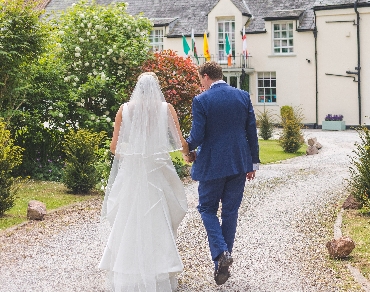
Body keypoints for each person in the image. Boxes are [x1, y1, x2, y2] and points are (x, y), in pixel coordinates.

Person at [100, 72, 189, 292]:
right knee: (160, 219)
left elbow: (114, 147)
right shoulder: (165, 109)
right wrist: (188, 154)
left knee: (129, 219)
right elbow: (179, 141)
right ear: (156, 88)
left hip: (133, 172)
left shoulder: (125, 110)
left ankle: (127, 273)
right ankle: (160, 273)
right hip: (158, 171)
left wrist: (132, 157)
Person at [183, 61, 260, 285]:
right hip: (239, 163)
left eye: (200, 80)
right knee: (230, 212)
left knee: (206, 208)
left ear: (206, 76)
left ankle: (221, 254)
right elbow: (251, 132)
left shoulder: (201, 100)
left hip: (212, 165)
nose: (200, 85)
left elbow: (196, 137)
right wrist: (253, 163)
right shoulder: (242, 96)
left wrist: (186, 147)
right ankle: (221, 262)